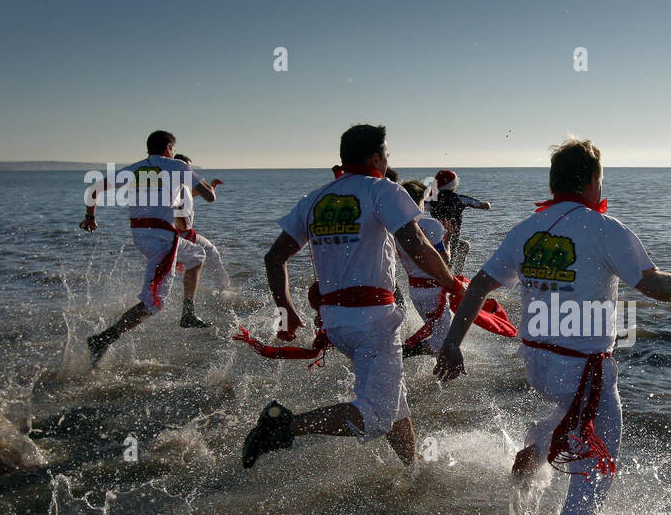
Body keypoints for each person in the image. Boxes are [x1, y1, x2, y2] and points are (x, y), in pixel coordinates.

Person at [434, 137, 671, 515]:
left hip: (537, 362)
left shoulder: (528, 228)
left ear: (554, 181)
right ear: (594, 181)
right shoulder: (606, 229)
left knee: (572, 420)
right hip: (583, 370)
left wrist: (452, 344)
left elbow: (479, 286)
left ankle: (538, 449)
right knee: (597, 467)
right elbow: (658, 288)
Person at [240, 124, 458, 469]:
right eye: (386, 154)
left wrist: (287, 308)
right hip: (374, 321)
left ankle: (412, 471)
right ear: (376, 157)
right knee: (377, 416)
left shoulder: (316, 197)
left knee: (394, 400)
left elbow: (274, 257)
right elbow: (416, 245)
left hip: (336, 323)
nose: (388, 161)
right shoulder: (382, 190)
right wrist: (452, 282)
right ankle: (283, 427)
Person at [81, 130, 217, 366]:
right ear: (168, 148)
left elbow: (93, 190)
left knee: (197, 254)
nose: (173, 153)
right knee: (153, 304)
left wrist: (90, 217)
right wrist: (208, 187)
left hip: (141, 235)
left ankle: (188, 312)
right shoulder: (177, 166)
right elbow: (209, 197)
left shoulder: (134, 169)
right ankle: (103, 338)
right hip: (162, 240)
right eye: (173, 149)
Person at [397, 180, 455, 356]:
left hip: (415, 290)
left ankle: (406, 353)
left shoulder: (396, 228)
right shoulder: (431, 225)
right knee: (443, 342)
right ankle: (400, 353)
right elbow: (444, 261)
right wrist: (448, 239)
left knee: (438, 335)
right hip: (433, 291)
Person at [173, 155, 229, 298]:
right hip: (183, 234)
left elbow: (193, 193)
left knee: (198, 258)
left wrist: (211, 186)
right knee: (211, 252)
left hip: (179, 234)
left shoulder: (178, 184)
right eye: (187, 167)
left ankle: (185, 288)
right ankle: (223, 289)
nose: (189, 170)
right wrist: (182, 225)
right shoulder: (175, 186)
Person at [428, 169, 490, 274]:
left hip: (433, 239)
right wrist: (487, 203)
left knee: (462, 246)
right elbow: (485, 206)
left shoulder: (431, 200)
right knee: (459, 251)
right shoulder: (459, 199)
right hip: (451, 238)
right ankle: (456, 278)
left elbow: (418, 207)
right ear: (453, 185)